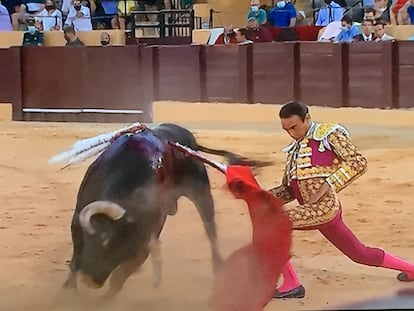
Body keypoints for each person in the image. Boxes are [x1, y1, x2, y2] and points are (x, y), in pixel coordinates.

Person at [270, 100, 414, 299]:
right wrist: (262, 196)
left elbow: (358, 162)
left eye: (294, 127)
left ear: (307, 118)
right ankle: (412, 269)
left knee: (274, 224)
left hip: (325, 208)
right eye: (286, 130)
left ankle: (292, 283)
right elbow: (290, 190)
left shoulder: (328, 134)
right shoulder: (295, 150)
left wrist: (327, 185)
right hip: (313, 211)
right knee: (360, 254)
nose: (291, 134)